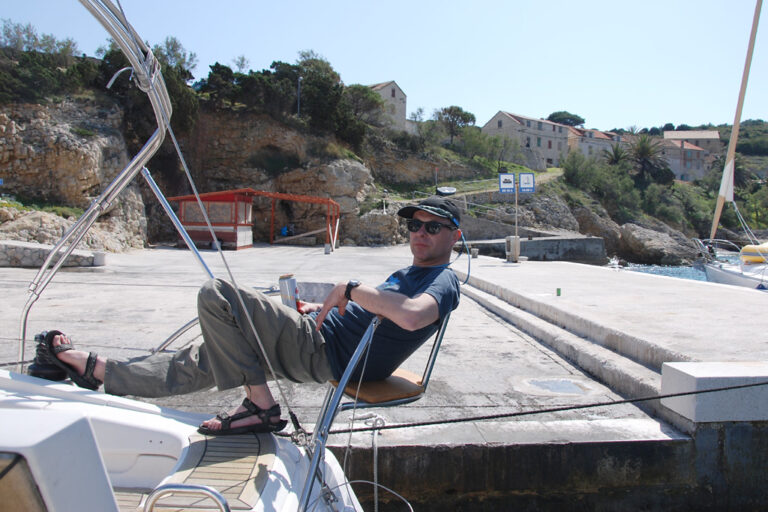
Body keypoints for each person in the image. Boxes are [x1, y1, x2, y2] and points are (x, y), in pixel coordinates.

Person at [36, 196, 462, 436]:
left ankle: (261, 406)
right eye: (414, 226)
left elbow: (411, 317)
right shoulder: (412, 272)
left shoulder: (443, 280)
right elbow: (382, 314)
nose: (420, 233)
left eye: (432, 228)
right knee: (208, 356)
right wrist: (322, 307)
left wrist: (349, 288)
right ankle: (96, 370)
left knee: (218, 294)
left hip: (325, 352)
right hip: (321, 337)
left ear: (455, 236)